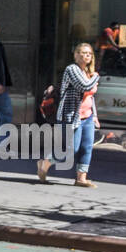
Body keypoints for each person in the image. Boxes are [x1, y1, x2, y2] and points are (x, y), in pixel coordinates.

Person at [53, 41, 101, 187]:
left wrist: (95, 116)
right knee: (72, 149)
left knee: (87, 147)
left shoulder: (87, 72)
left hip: (87, 116)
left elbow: (90, 97)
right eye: (83, 53)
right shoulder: (71, 69)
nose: (86, 56)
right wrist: (96, 77)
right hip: (72, 115)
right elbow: (84, 86)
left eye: (89, 54)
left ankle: (81, 178)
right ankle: (45, 162)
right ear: (76, 55)